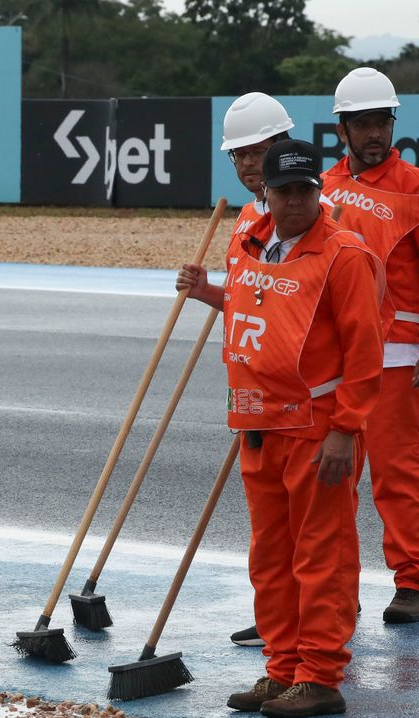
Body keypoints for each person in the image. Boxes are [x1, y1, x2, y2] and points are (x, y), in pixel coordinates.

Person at [177, 139, 384, 718]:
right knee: (270, 557)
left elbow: (365, 354)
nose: (296, 201)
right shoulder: (249, 243)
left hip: (317, 431)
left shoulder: (344, 255)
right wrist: (206, 293)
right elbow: (254, 308)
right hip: (257, 422)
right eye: (285, 190)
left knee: (321, 556)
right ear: (264, 193)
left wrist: (346, 429)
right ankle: (283, 668)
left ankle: (319, 675)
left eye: (305, 190)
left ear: (318, 190)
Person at [322, 67, 419, 625]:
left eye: (380, 121)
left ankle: (412, 581)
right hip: (336, 360)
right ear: (343, 129)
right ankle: (339, 590)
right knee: (334, 479)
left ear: (392, 124)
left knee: (397, 472)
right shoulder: (324, 190)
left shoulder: (414, 188)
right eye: (361, 123)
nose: (373, 132)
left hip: (398, 352)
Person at [218, 92, 294, 648]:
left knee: (312, 530)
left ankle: (316, 624)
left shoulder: (312, 216)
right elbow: (248, 303)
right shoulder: (246, 219)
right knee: (269, 531)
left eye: (256, 150)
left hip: (303, 400)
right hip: (252, 398)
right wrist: (207, 293)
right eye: (238, 155)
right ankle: (278, 619)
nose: (247, 163)